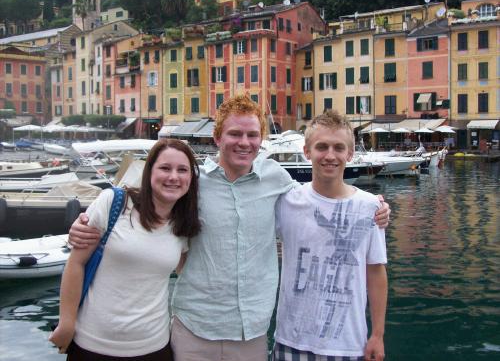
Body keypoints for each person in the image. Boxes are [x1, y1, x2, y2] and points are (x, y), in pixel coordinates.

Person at [68, 95, 390, 361]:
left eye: (252, 135)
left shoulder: (277, 180)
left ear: (261, 140)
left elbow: (321, 200)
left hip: (249, 333)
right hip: (193, 327)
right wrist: (86, 224)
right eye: (235, 134)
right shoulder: (191, 182)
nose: (244, 142)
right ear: (217, 138)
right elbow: (144, 206)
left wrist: (371, 207)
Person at [49, 139, 201, 360]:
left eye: (182, 170)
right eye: (165, 168)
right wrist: (66, 323)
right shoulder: (114, 203)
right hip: (92, 345)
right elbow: (76, 263)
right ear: (150, 172)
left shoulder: (183, 225)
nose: (173, 177)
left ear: (190, 179)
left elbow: (188, 273)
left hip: (154, 347)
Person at [273, 111, 387, 361]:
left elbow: (376, 272)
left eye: (339, 147)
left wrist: (377, 335)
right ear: (307, 151)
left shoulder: (370, 207)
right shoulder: (286, 201)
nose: (330, 155)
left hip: (348, 346)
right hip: (291, 342)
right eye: (321, 147)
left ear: (350, 153)